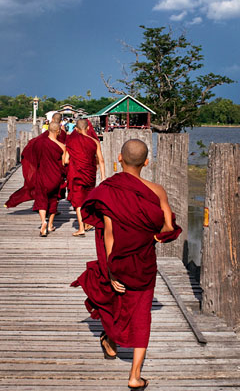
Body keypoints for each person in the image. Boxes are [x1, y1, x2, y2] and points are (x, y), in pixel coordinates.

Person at [71, 139, 181, 390]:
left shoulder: (109, 189)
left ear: (119, 158)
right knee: (141, 314)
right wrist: (152, 237)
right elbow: (167, 227)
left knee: (116, 301)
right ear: (146, 162)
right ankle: (135, 375)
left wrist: (110, 270)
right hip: (144, 262)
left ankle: (110, 341)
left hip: (118, 260)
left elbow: (108, 233)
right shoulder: (157, 190)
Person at [5, 114, 66, 236]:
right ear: (58, 131)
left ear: (48, 129)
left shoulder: (39, 142)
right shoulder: (62, 146)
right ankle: (50, 225)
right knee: (53, 199)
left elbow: (31, 156)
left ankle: (43, 221)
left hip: (42, 175)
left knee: (41, 198)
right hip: (56, 176)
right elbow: (64, 163)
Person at [63, 119, 106, 237]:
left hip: (77, 174)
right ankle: (87, 222)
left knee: (78, 201)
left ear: (76, 129)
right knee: (87, 197)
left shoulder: (71, 142)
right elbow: (101, 160)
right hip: (90, 174)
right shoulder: (94, 142)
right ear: (88, 129)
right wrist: (103, 177)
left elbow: (65, 160)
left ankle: (81, 227)